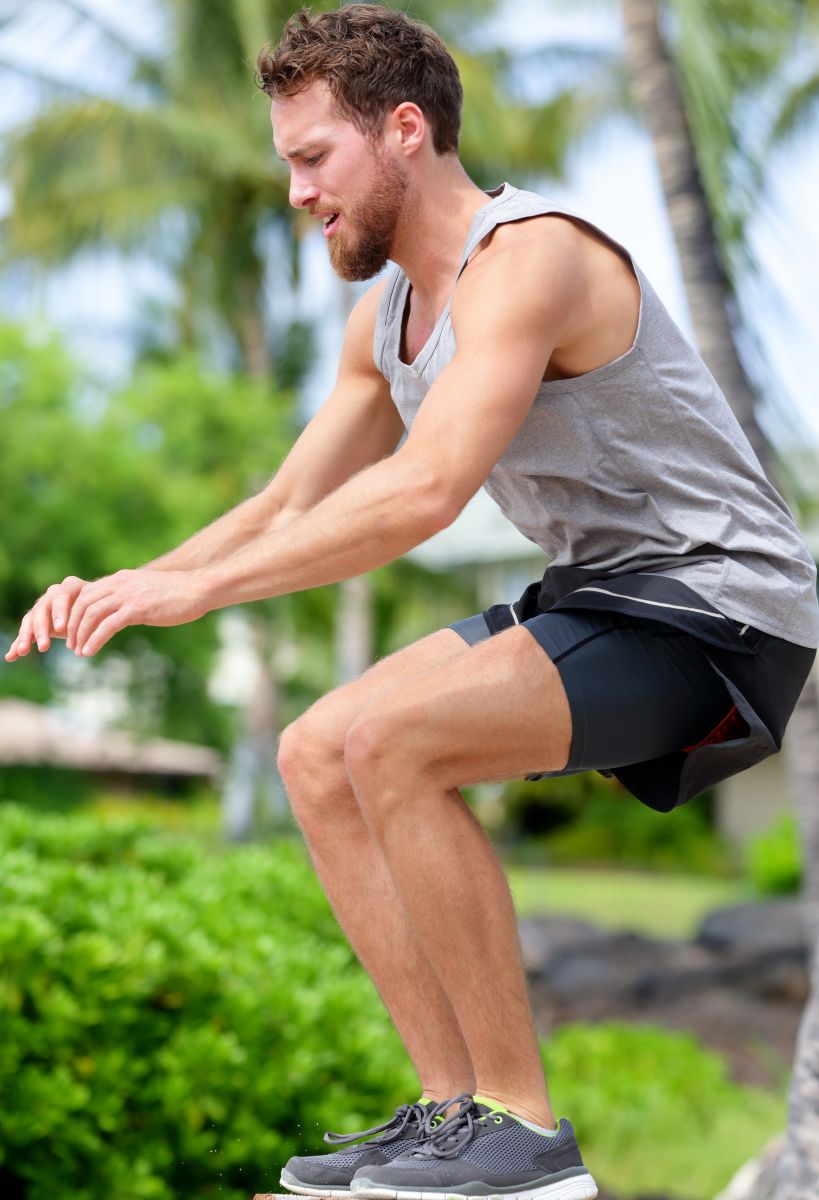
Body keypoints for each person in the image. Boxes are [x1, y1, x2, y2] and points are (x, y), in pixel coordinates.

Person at [5, 5, 818, 1198]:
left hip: (722, 607)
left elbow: (428, 490)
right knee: (314, 750)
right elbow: (291, 501)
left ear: (401, 132)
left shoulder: (532, 257)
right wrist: (143, 582)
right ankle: (458, 1119)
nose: (295, 193)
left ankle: (527, 1138)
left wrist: (197, 594)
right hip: (599, 597)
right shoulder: (382, 322)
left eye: (311, 159)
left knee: (391, 739)